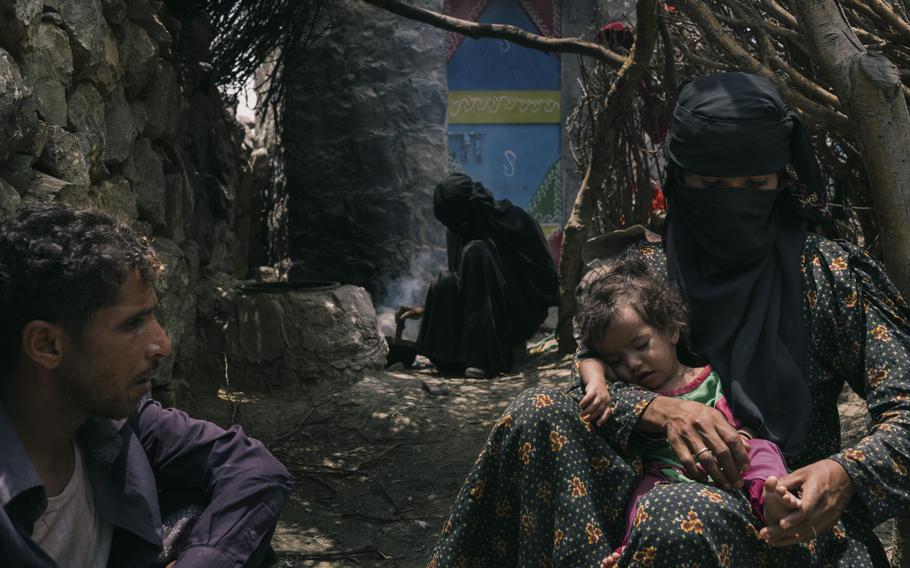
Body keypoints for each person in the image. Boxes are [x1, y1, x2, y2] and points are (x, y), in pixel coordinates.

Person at [427, 72, 908, 567]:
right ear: (680, 179)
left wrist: (844, 473)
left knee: (673, 517)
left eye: (754, 184)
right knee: (537, 412)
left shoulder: (827, 275)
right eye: (712, 185)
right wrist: (662, 411)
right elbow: (586, 380)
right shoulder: (642, 276)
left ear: (780, 180)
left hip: (784, 521)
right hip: (646, 486)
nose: (733, 200)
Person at [0, 203, 292, 567]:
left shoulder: (115, 422)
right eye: (133, 323)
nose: (163, 344)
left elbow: (252, 467)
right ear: (47, 345)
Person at [575, 260, 799, 567]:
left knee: (764, 452)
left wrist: (743, 438)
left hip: (729, 465)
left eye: (641, 345)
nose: (633, 364)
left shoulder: (711, 376)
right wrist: (598, 382)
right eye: (617, 360)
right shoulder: (635, 393)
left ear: (671, 330)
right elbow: (588, 358)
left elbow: (748, 416)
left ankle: (773, 503)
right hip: (667, 476)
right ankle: (629, 549)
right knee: (642, 499)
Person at [401, 174, 558, 378]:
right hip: (475, 317)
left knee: (476, 251)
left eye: (456, 222)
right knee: (444, 280)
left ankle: (485, 359)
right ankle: (446, 357)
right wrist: (426, 308)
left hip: (516, 312)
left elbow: (545, 279)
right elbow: (463, 284)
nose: (454, 228)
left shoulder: (515, 221)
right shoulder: (457, 231)